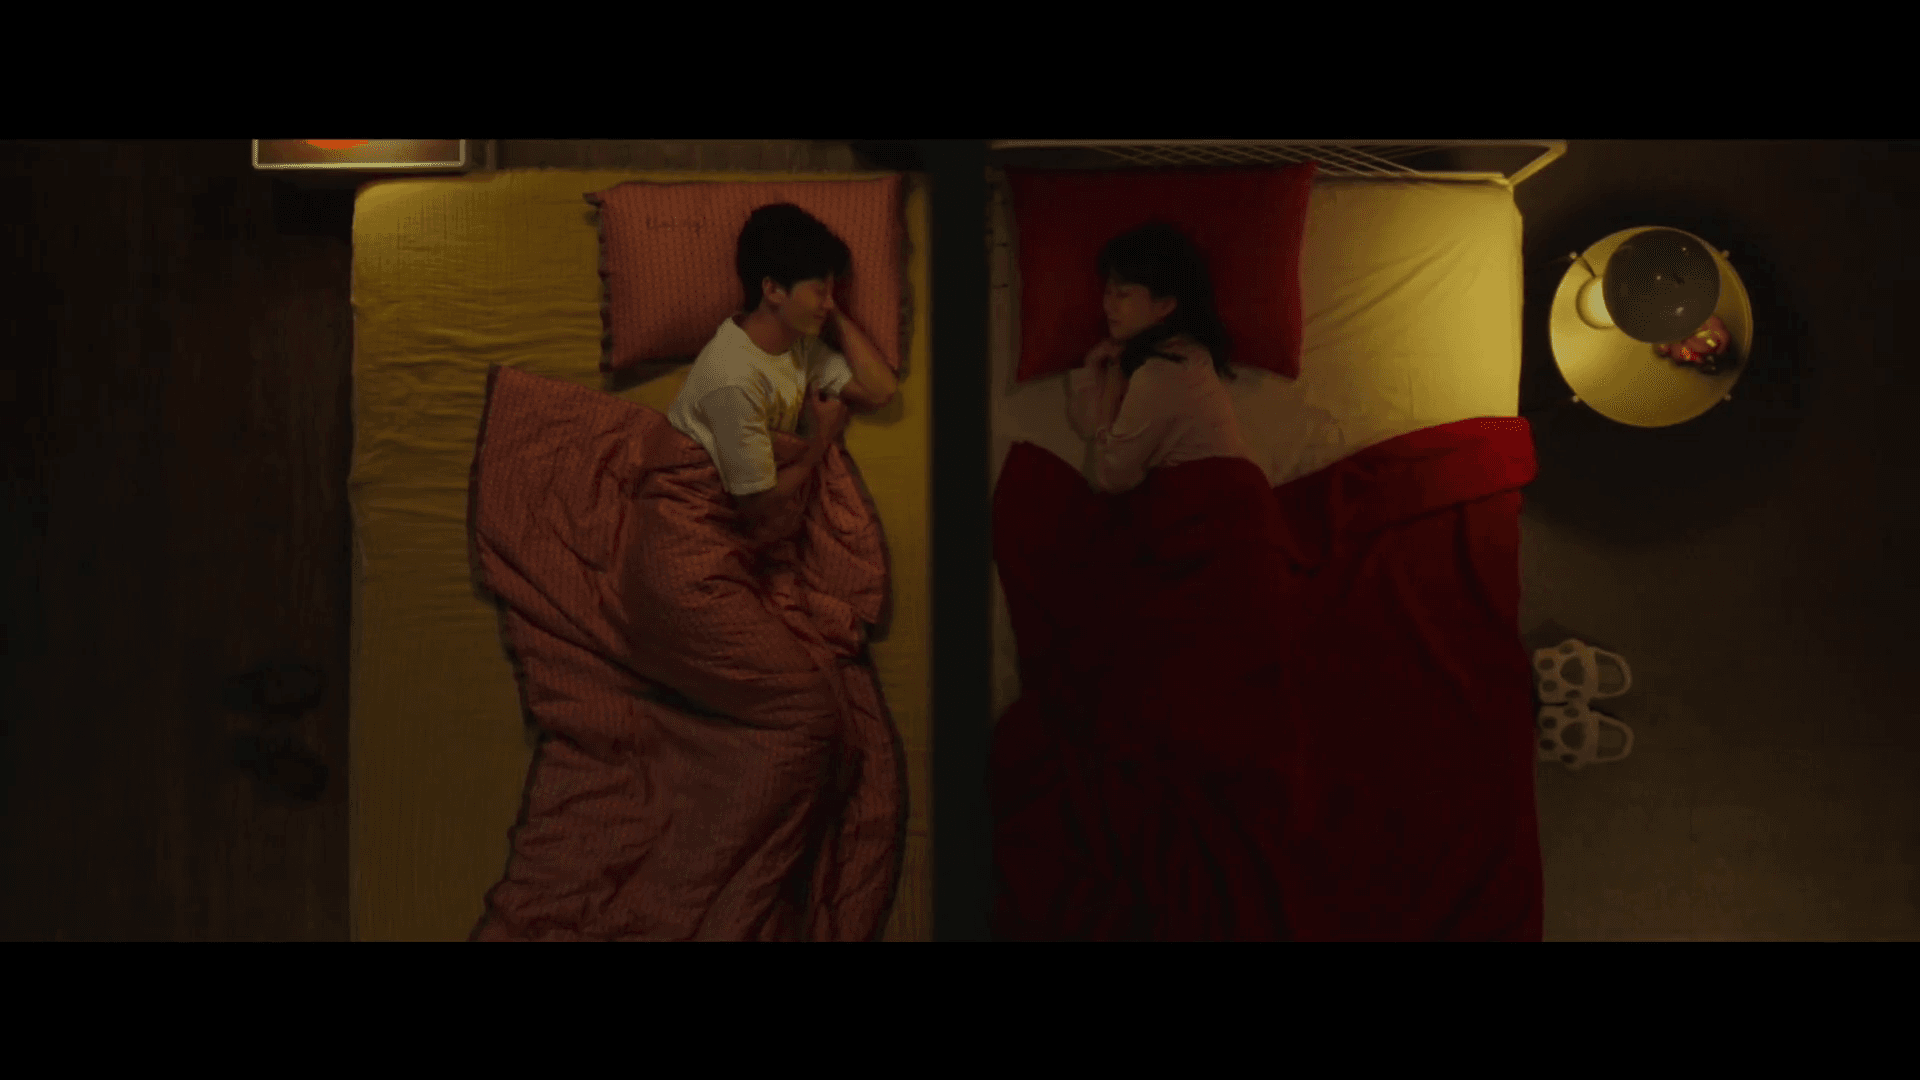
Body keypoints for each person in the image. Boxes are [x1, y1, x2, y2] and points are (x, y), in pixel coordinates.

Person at [668, 203, 898, 535]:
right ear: (773, 290)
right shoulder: (734, 379)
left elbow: (880, 390)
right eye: (820, 291)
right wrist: (820, 439)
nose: (830, 303)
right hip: (698, 513)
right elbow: (757, 508)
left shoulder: (796, 343)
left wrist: (831, 311)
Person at [1066, 222, 1257, 494]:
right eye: (1107, 292)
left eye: (1123, 295)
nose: (1109, 306)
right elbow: (1088, 425)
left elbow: (1110, 477)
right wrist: (1092, 368)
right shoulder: (1177, 351)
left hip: (1217, 498)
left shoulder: (1163, 372)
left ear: (1165, 305)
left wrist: (1110, 385)